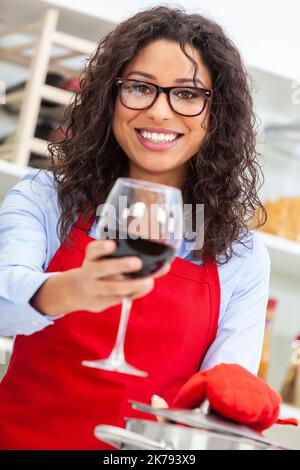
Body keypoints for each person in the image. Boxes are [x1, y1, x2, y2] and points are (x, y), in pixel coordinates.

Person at [0, 6, 270, 449]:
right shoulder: (46, 197)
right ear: (111, 98)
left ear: (215, 113)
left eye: (187, 94)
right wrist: (73, 290)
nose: (160, 112)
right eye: (141, 88)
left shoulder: (238, 253)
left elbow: (222, 393)